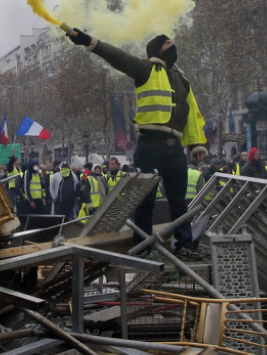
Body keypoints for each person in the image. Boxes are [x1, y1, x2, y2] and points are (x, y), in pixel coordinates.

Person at [68, 30, 207, 257]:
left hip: (175, 149)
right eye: (167, 43)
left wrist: (196, 144)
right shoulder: (145, 69)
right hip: (150, 146)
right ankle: (143, 247)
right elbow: (117, 56)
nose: (172, 45)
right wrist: (91, 42)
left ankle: (185, 244)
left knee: (179, 202)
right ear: (156, 51)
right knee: (145, 201)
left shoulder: (183, 80)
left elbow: (192, 115)